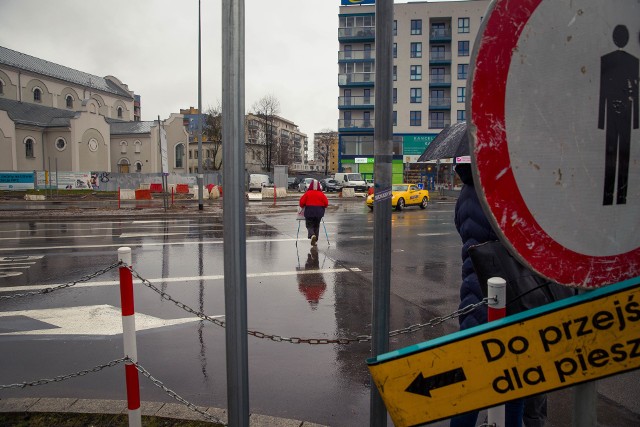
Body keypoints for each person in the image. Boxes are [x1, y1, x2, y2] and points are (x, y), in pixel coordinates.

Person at [451, 163, 574, 427]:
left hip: (474, 295)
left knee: (472, 386)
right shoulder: (508, 190)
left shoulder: (466, 193)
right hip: (515, 294)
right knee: (518, 380)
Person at [299, 179, 328, 246]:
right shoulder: (321, 194)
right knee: (316, 225)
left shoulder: (307, 193)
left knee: (309, 225)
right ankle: (315, 240)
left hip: (309, 211)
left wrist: (302, 206)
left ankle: (312, 235)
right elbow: (326, 203)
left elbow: (301, 203)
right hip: (319, 212)